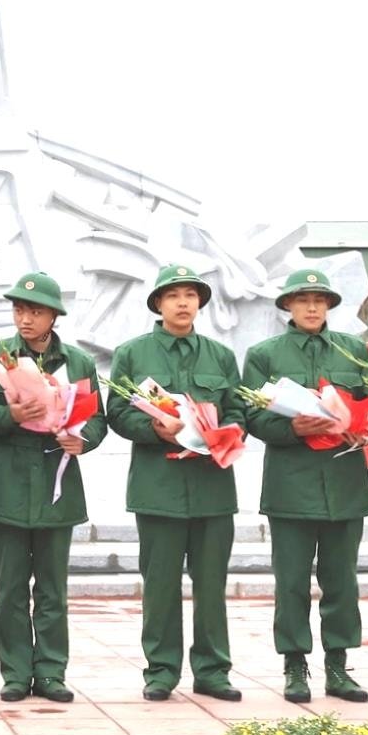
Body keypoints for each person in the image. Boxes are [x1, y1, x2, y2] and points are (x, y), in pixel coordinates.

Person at [105, 264, 245, 702]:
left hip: (212, 488)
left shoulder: (220, 356)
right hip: (159, 486)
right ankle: (161, 670)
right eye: (173, 296)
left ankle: (212, 670)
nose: (183, 303)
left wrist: (230, 431)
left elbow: (239, 410)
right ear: (158, 304)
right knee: (161, 585)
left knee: (211, 586)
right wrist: (156, 430)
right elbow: (118, 413)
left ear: (200, 303)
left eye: (191, 295)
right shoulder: (133, 354)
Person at [0, 272, 105, 704]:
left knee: (52, 587)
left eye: (36, 311)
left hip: (55, 483)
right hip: (7, 483)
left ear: (53, 316)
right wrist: (10, 413)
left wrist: (81, 440)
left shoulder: (79, 362)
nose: (25, 318)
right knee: (9, 587)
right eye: (20, 310)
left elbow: (97, 418)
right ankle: (14, 671)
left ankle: (50, 672)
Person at [241, 269, 368, 704]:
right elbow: (252, 418)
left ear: (330, 305)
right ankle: (294, 666)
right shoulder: (264, 354)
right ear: (287, 306)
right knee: (292, 582)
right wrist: (293, 427)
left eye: (320, 300)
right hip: (290, 485)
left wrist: (365, 428)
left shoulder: (354, 351)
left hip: (344, 481)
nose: (312, 307)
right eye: (303, 300)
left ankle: (338, 667)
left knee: (342, 581)